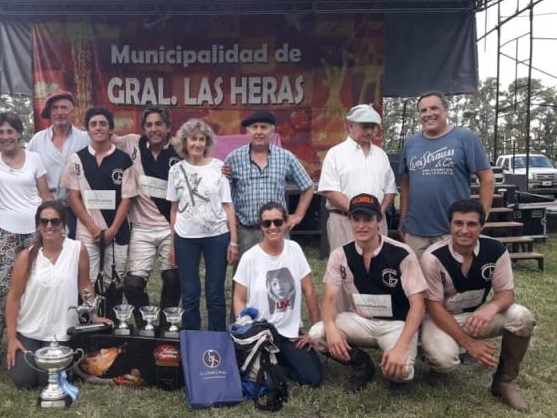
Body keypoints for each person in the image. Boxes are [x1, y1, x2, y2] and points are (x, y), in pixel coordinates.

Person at [420, 199, 535, 412]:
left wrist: (489, 308)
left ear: (482, 226)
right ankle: (436, 367)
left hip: (475, 315)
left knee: (523, 317)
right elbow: (434, 307)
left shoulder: (496, 249)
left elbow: (506, 293)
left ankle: (503, 382)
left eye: (471, 224)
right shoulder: (432, 257)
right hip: (440, 317)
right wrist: (469, 344)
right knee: (445, 360)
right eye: (458, 223)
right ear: (450, 225)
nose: (464, 230)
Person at [309, 193, 427, 394]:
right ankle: (361, 364)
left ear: (379, 220)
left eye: (368, 219)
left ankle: (395, 368)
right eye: (356, 219)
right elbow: (329, 298)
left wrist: (400, 347)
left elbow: (418, 305)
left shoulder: (401, 253)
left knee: (402, 371)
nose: (361, 225)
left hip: (395, 324)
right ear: (350, 221)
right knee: (317, 334)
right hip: (360, 320)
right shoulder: (340, 255)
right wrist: (331, 327)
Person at [0, 111, 52, 366]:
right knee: (3, 287)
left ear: (19, 133)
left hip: (34, 230)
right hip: (2, 230)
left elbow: (45, 194)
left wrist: (52, 227)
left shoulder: (35, 158)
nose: (6, 136)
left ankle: (32, 336)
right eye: (0, 132)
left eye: (10, 131)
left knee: (35, 284)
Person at [5, 201, 112, 389]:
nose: (49, 226)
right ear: (37, 225)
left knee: (49, 381)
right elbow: (13, 298)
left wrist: (93, 315)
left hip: (61, 331)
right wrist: (12, 339)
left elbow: (84, 284)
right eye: (44, 221)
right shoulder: (26, 257)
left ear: (63, 225)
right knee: (23, 380)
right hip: (29, 329)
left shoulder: (78, 250)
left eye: (55, 221)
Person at [233, 201, 323, 386]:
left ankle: (282, 360)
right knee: (268, 383)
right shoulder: (249, 257)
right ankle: (272, 362)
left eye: (277, 222)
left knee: (313, 379)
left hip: (290, 334)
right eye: (267, 223)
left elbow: (309, 290)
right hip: (261, 334)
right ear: (261, 226)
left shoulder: (295, 249)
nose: (272, 227)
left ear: (285, 222)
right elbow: (239, 299)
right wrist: (247, 331)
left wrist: (314, 333)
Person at [398, 91, 495, 259]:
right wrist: (403, 218)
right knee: (417, 284)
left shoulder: (466, 138)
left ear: (446, 110)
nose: (428, 114)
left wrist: (481, 217)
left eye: (434, 108)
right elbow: (406, 182)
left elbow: (487, 178)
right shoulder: (411, 144)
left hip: (453, 231)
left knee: (451, 282)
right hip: (416, 231)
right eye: (423, 110)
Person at [167, 118, 238, 331]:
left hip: (217, 237)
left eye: (201, 139)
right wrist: (172, 244)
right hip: (185, 238)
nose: (197, 144)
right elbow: (173, 209)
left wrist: (233, 241)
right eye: (192, 139)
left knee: (215, 293)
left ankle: (217, 341)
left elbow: (228, 206)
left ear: (206, 143)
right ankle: (192, 340)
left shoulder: (219, 168)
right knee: (190, 294)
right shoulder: (176, 171)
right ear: (184, 142)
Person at [112, 105, 181, 317]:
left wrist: (224, 170)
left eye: (159, 124)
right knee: (132, 285)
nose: (154, 129)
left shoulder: (180, 148)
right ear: (143, 128)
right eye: (149, 125)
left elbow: (204, 162)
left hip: (171, 226)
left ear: (168, 127)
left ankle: (165, 324)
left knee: (173, 279)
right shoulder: (132, 143)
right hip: (141, 228)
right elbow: (104, 136)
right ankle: (145, 324)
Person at [62, 107, 136, 290]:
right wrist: (93, 228)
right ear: (87, 130)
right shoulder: (76, 159)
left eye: (103, 124)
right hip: (87, 230)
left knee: (116, 280)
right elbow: (73, 197)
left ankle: (113, 318)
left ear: (111, 129)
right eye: (93, 124)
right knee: (88, 279)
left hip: (117, 230)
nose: (98, 128)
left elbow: (127, 199)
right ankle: (89, 318)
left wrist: (112, 230)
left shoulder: (124, 160)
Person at [225, 111, 314, 258]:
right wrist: (231, 217)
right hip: (246, 232)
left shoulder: (285, 157)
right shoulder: (233, 158)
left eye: (264, 127)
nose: (259, 132)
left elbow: (308, 187)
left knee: (280, 274)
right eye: (254, 127)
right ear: (248, 132)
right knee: (246, 277)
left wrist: (298, 215)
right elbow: (224, 193)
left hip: (277, 230)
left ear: (272, 132)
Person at [317, 104, 396, 250]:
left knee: (378, 265)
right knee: (345, 267)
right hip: (343, 221)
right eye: (365, 126)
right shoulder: (335, 154)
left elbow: (390, 190)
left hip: (376, 222)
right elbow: (329, 190)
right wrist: (358, 212)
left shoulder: (381, 155)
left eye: (373, 127)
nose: (369, 131)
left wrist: (378, 214)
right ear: (350, 125)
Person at [26, 90, 90, 236]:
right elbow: (24, 165)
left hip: (78, 208)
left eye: (64, 107)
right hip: (46, 208)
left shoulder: (85, 139)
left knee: (76, 252)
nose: (59, 112)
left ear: (72, 111)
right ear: (49, 112)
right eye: (55, 108)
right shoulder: (37, 141)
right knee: (49, 253)